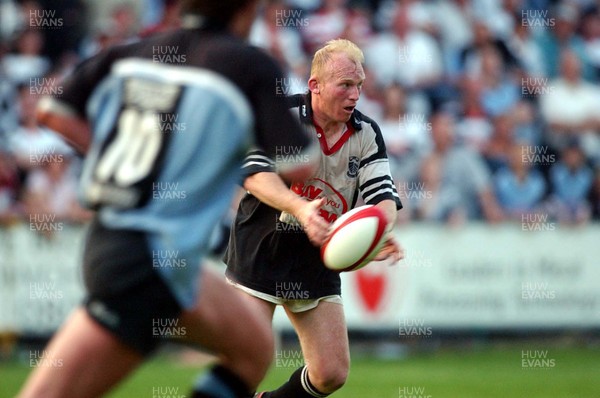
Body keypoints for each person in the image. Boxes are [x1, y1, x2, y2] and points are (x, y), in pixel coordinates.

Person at [17, 0, 318, 396]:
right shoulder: (249, 64)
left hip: (126, 244)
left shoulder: (134, 52)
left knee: (255, 348)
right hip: (145, 263)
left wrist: (118, 158)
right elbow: (299, 165)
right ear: (246, 11)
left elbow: (51, 113)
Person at [224, 39, 403, 398]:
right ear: (315, 85)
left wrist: (379, 228)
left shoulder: (366, 133)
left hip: (315, 259)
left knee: (331, 373)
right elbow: (254, 174)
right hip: (261, 249)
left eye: (360, 86)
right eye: (346, 85)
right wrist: (300, 207)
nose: (355, 95)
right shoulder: (282, 115)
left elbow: (383, 197)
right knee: (245, 366)